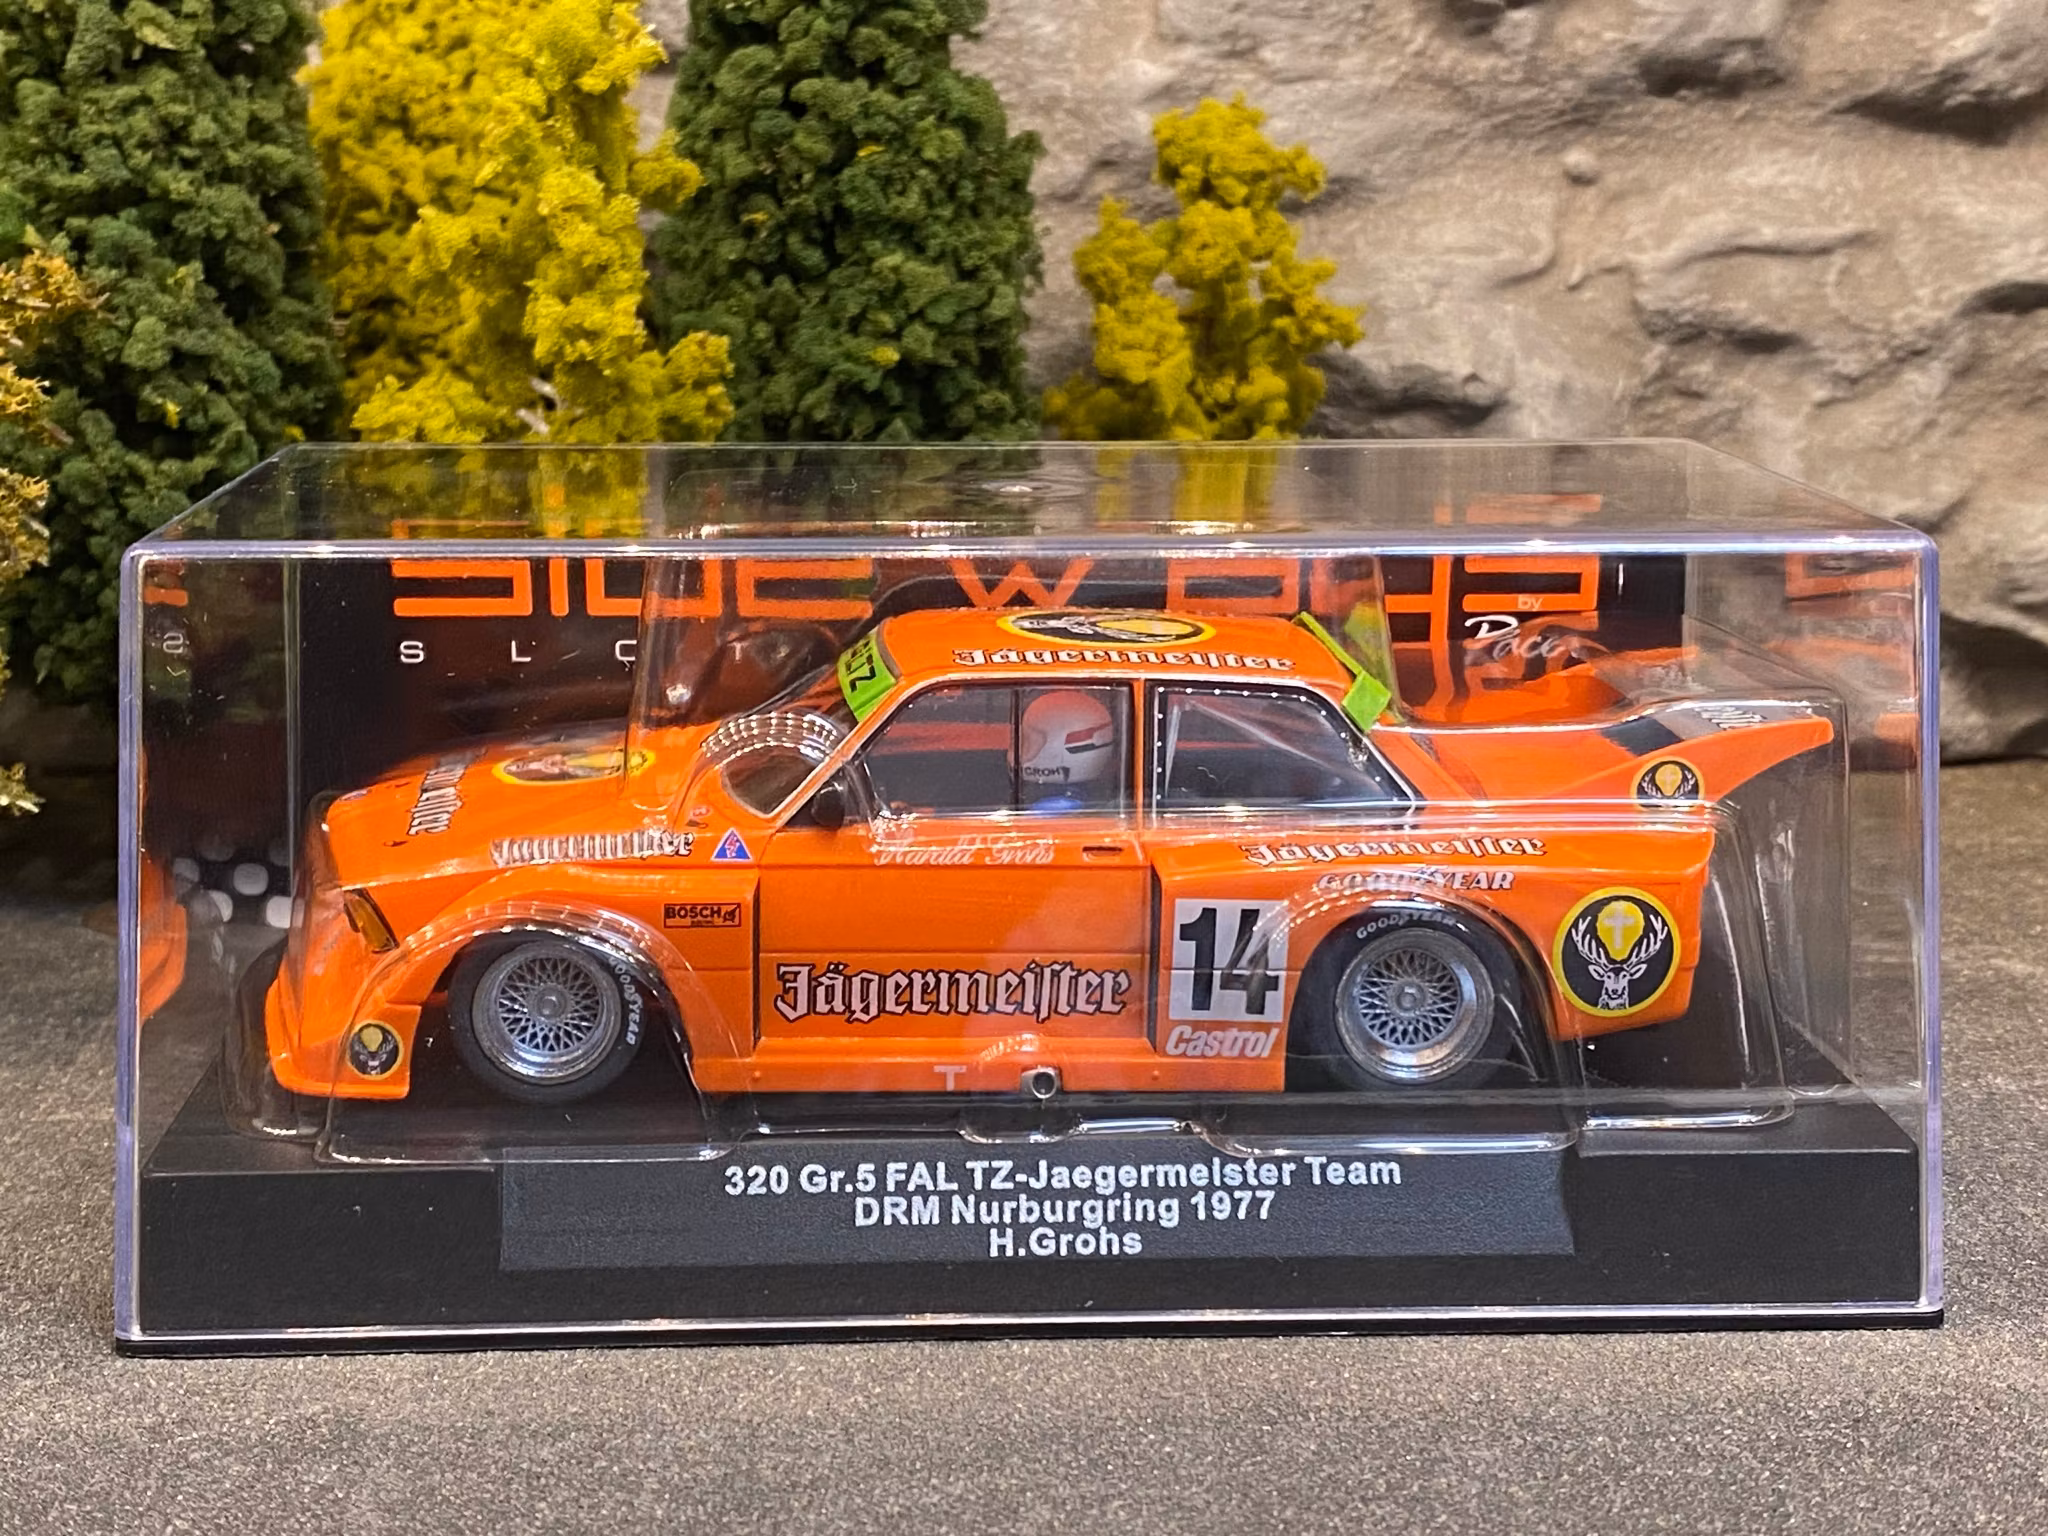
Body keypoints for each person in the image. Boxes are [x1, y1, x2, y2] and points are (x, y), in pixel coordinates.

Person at [1015, 690, 1117, 813]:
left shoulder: (1047, 813)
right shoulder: (1101, 802)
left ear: (1053, 748)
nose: (1015, 753)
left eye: (1025, 741)